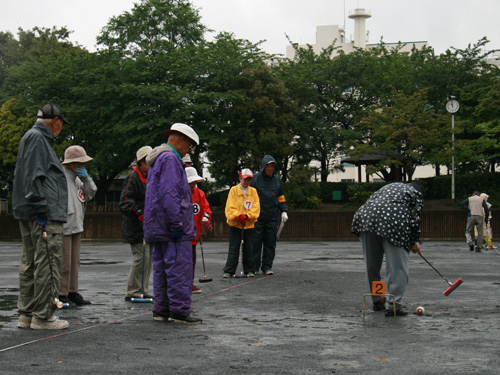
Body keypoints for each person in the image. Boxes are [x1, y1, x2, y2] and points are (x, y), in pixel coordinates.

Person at [12, 103, 70, 330]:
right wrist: (41, 207)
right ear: (55, 121)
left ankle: (26, 313)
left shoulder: (31, 137)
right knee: (47, 261)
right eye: (61, 125)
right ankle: (43, 315)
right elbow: (35, 175)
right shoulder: (38, 139)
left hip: (28, 209)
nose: (61, 129)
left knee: (30, 262)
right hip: (42, 211)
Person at [144, 123, 202, 324]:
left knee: (161, 269)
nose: (188, 150)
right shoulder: (170, 159)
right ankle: (179, 310)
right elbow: (170, 194)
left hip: (157, 226)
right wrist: (177, 224)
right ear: (180, 140)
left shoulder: (157, 158)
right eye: (189, 145)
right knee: (178, 268)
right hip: (172, 227)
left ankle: (162, 309)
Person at [351, 181, 425, 317]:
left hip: (365, 218)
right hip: (393, 220)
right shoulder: (416, 194)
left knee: (372, 265)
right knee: (397, 267)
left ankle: (378, 300)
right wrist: (413, 241)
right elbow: (415, 220)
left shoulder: (389, 187)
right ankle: (393, 305)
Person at [59, 145, 97, 306]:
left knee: (75, 262)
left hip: (76, 223)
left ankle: (72, 291)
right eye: (79, 163)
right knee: (65, 262)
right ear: (70, 162)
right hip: (65, 224)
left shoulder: (77, 178)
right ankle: (61, 292)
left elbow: (90, 193)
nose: (82, 165)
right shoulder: (60, 177)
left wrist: (87, 179)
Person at [120, 146, 154, 301]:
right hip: (135, 226)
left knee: (147, 259)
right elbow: (125, 202)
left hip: (147, 226)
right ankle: (133, 291)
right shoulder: (133, 177)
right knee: (141, 258)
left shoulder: (149, 177)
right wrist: (139, 213)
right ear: (141, 162)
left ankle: (143, 289)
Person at [251, 155, 288, 275]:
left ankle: (267, 266)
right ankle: (254, 267)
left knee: (270, 243)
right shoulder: (255, 178)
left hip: (272, 217)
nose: (270, 168)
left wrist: (284, 211)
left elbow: (281, 197)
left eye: (272, 166)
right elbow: (249, 196)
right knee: (255, 243)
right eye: (268, 166)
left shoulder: (277, 180)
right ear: (263, 166)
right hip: (257, 217)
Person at [223, 168, 260, 278]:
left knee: (249, 248)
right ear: (240, 178)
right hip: (235, 224)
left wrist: (248, 216)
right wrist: (238, 215)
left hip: (248, 224)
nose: (247, 182)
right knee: (234, 247)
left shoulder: (253, 191)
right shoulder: (233, 190)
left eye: (249, 179)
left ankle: (249, 270)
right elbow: (230, 207)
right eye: (245, 179)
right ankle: (229, 270)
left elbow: (256, 207)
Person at [185, 167, 213, 293]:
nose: (193, 184)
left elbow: (206, 209)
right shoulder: (180, 192)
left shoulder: (200, 193)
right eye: (191, 182)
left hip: (194, 233)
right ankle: (181, 284)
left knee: (192, 259)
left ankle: (190, 283)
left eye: (194, 182)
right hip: (181, 233)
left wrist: (205, 219)